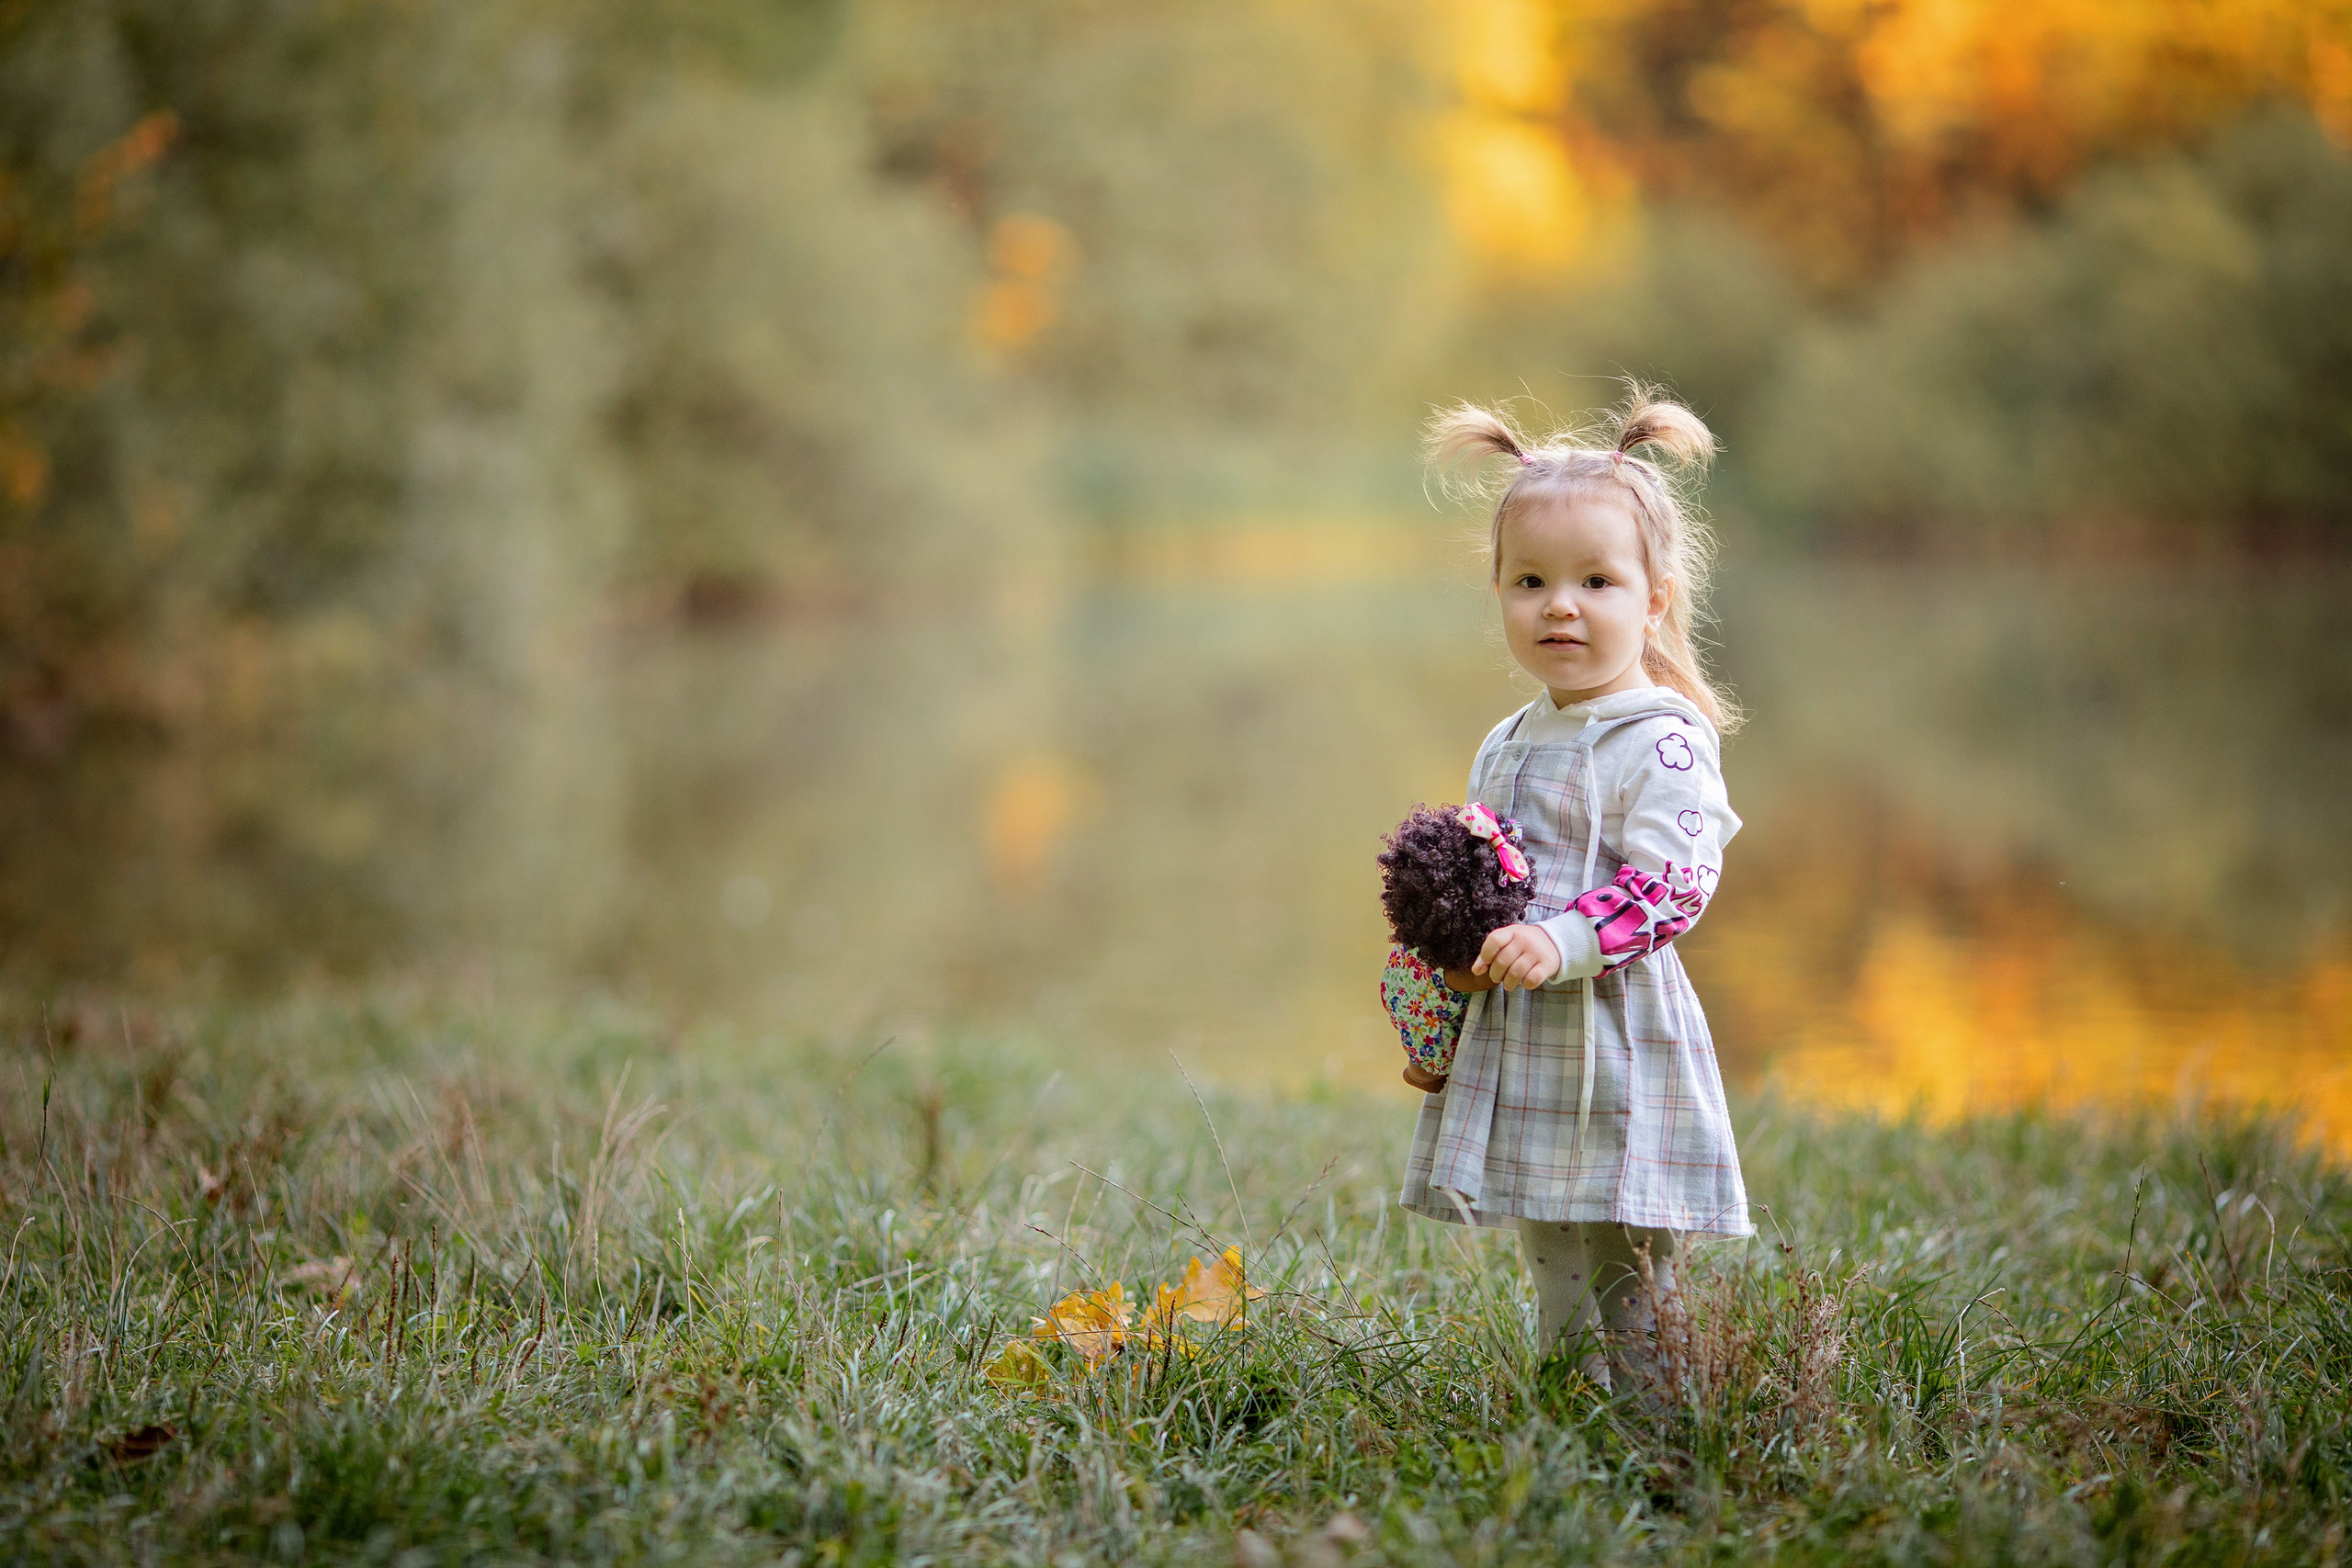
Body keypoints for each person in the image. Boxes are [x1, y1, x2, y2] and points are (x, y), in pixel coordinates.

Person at [1397, 388, 1752, 1393]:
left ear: (1654, 599)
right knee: (1553, 1246)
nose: (1561, 604)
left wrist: (1564, 939)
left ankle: (1659, 1426)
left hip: (1617, 1031)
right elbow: (1472, 890)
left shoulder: (1662, 737)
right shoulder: (1507, 740)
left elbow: (1676, 881)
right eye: (1531, 581)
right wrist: (1443, 998)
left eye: (1596, 580)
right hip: (1527, 1045)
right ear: (1500, 593)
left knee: (1631, 1252)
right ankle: (1568, 1408)